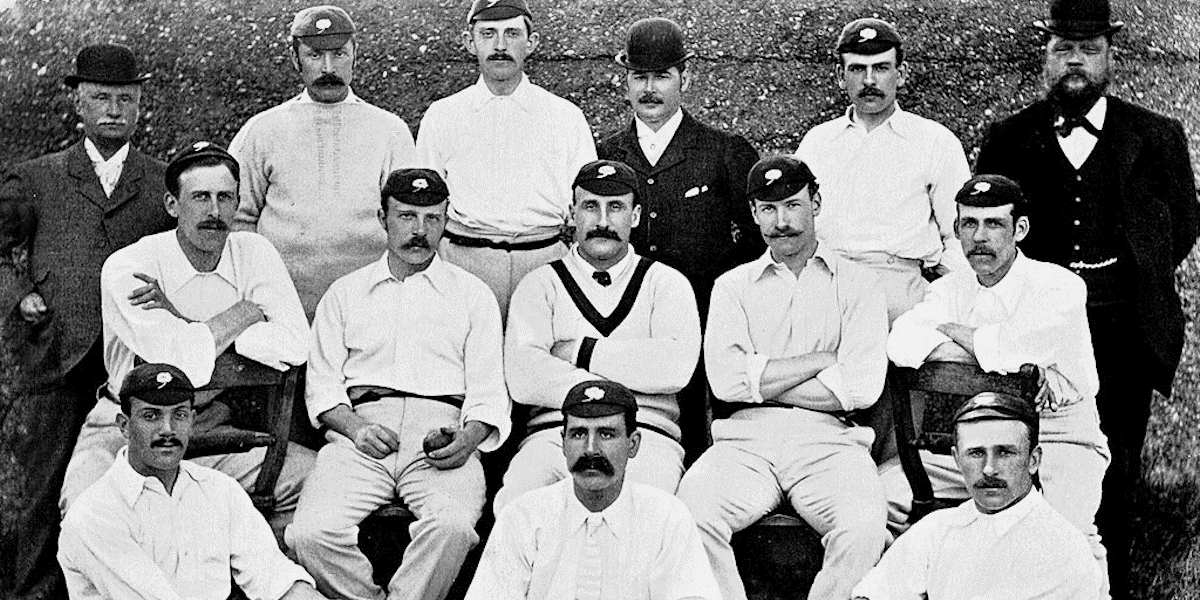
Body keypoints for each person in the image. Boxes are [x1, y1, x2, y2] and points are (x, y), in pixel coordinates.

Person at [974, 1, 1200, 595]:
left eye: (1089, 49)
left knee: (1115, 473)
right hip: (1036, 333)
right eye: (1062, 49)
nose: (1075, 62)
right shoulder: (1009, 137)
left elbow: (1183, 224)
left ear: (1109, 55)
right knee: (1028, 460)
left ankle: (1108, 589)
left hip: (1124, 329)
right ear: (1045, 56)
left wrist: (1129, 275)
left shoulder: (1155, 136)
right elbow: (984, 227)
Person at [60, 141, 314, 538]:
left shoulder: (254, 253)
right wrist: (243, 313)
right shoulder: (131, 266)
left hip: (208, 424)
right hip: (126, 426)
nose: (214, 212)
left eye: (225, 197)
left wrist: (183, 322)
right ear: (172, 205)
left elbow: (296, 346)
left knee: (318, 484)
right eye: (200, 197)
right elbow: (179, 365)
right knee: (83, 512)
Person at [0, 43, 174, 599]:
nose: (114, 110)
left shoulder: (162, 183)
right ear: (78, 102)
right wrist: (21, 293)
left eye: (126, 98)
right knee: (37, 494)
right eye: (101, 98)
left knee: (120, 494)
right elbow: (2, 254)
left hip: (130, 371)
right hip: (53, 360)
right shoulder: (36, 177)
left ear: (141, 103)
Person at [288, 168, 509, 600]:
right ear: (382, 217)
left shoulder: (472, 294)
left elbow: (488, 392)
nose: (419, 231)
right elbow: (323, 388)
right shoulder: (345, 293)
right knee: (309, 534)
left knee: (453, 527)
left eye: (432, 218)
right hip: (361, 435)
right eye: (406, 216)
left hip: (440, 433)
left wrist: (465, 440)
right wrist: (355, 429)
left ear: (446, 221)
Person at [676, 155, 889, 600]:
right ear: (753, 214)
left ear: (816, 202)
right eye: (768, 210)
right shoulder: (733, 286)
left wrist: (761, 378)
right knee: (689, 516)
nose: (782, 222)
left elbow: (861, 387)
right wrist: (822, 360)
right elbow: (727, 383)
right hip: (745, 443)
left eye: (792, 205)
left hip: (831, 443)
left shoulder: (859, 284)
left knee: (864, 527)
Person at [886, 174, 1110, 581]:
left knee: (1069, 534)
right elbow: (901, 344)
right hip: (972, 441)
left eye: (994, 224)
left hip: (1059, 436)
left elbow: (1017, 346)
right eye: (969, 224)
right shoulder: (949, 289)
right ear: (956, 230)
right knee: (882, 499)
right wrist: (986, 352)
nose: (979, 237)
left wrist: (955, 335)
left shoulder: (1059, 286)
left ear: (1019, 229)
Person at [597, 16, 760, 459]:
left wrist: (721, 300)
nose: (649, 89)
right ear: (625, 80)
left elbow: (753, 244)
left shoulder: (723, 151)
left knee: (706, 436)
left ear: (685, 77)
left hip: (705, 316)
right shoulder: (606, 155)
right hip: (625, 318)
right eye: (639, 77)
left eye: (662, 77)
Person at [498, 159, 700, 511]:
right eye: (590, 206)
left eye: (616, 207)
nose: (603, 221)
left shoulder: (666, 283)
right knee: (518, 502)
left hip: (645, 437)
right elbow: (525, 377)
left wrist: (579, 351)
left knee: (647, 512)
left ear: (635, 216)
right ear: (571, 213)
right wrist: (632, 370)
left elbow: (674, 368)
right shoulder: (540, 284)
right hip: (556, 435)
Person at [58, 363, 328, 600]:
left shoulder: (220, 491)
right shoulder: (94, 514)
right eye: (151, 416)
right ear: (124, 425)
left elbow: (277, 581)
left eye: (179, 415)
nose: (167, 429)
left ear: (193, 421)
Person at [230, 4, 417, 318]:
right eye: (315, 55)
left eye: (339, 54)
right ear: (295, 59)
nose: (327, 67)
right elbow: (238, 217)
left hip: (370, 306)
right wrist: (262, 291)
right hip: (282, 308)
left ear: (355, 54)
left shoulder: (389, 130)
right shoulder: (262, 130)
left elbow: (409, 219)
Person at [416, 0, 596, 316]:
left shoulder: (565, 117)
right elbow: (425, 201)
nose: (500, 46)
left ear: (532, 42)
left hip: (544, 262)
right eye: (488, 34)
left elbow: (586, 204)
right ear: (469, 42)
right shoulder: (443, 116)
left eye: (512, 33)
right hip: (464, 263)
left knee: (540, 360)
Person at [465, 380, 719, 600]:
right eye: (578, 434)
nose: (590, 450)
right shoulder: (522, 516)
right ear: (562, 442)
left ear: (633, 444)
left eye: (607, 434)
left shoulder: (666, 517)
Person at [795, 17, 970, 323]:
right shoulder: (817, 142)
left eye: (881, 68)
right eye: (857, 69)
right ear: (840, 75)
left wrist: (945, 294)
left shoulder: (935, 141)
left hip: (904, 292)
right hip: (827, 287)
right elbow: (796, 221)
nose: (869, 81)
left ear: (900, 74)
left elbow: (959, 233)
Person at [851, 392, 1104, 599]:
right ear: (956, 459)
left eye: (1004, 452)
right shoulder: (938, 529)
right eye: (975, 453)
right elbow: (872, 594)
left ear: (1033, 460)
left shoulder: (1062, 549)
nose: (989, 469)